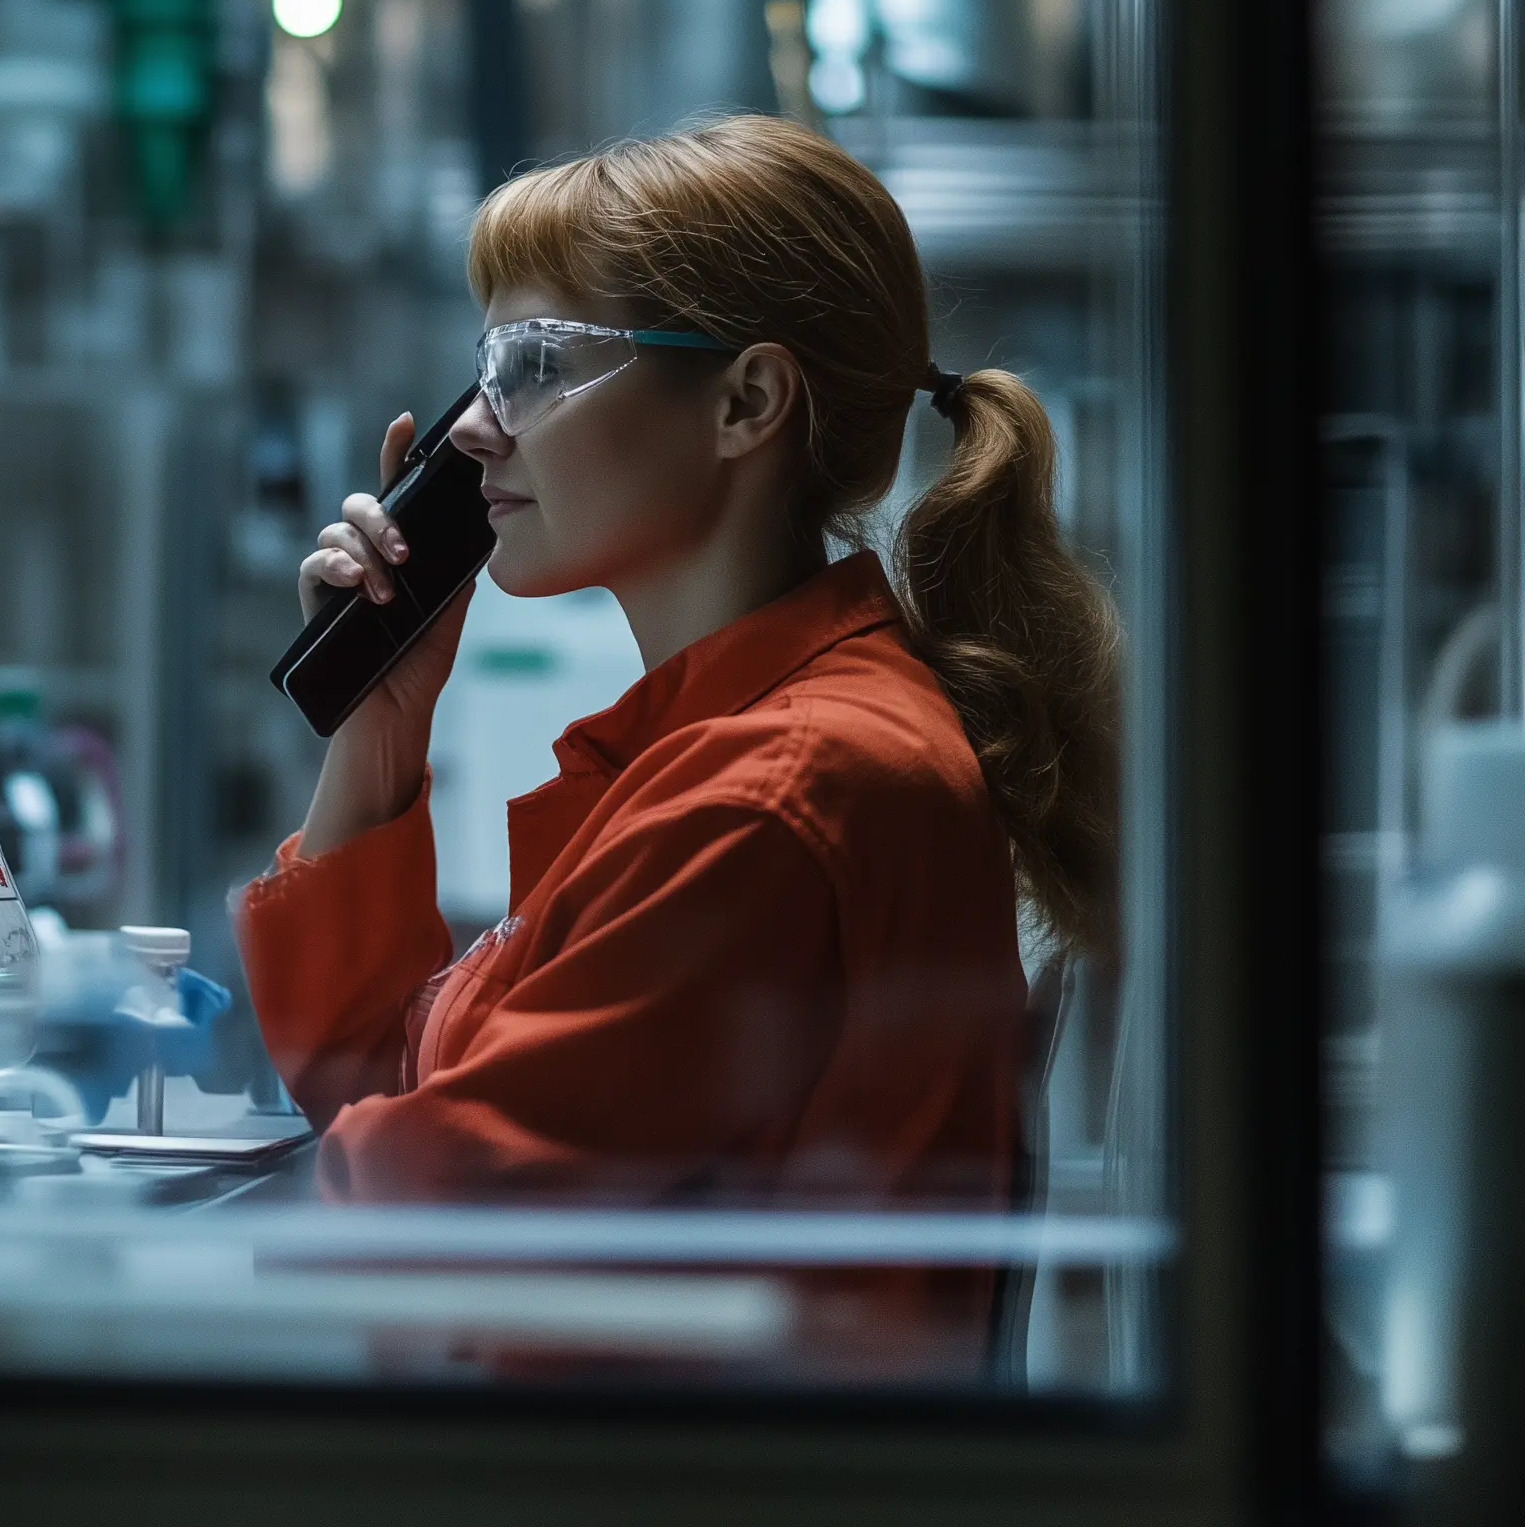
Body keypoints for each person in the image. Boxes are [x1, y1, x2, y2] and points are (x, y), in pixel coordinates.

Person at [236, 114, 1117, 1375]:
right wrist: (379, 726)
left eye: (536, 363)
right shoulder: (732, 749)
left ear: (746, 401)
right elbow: (388, 1088)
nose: (476, 426)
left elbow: (434, 1206)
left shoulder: (776, 795)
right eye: (483, 368)